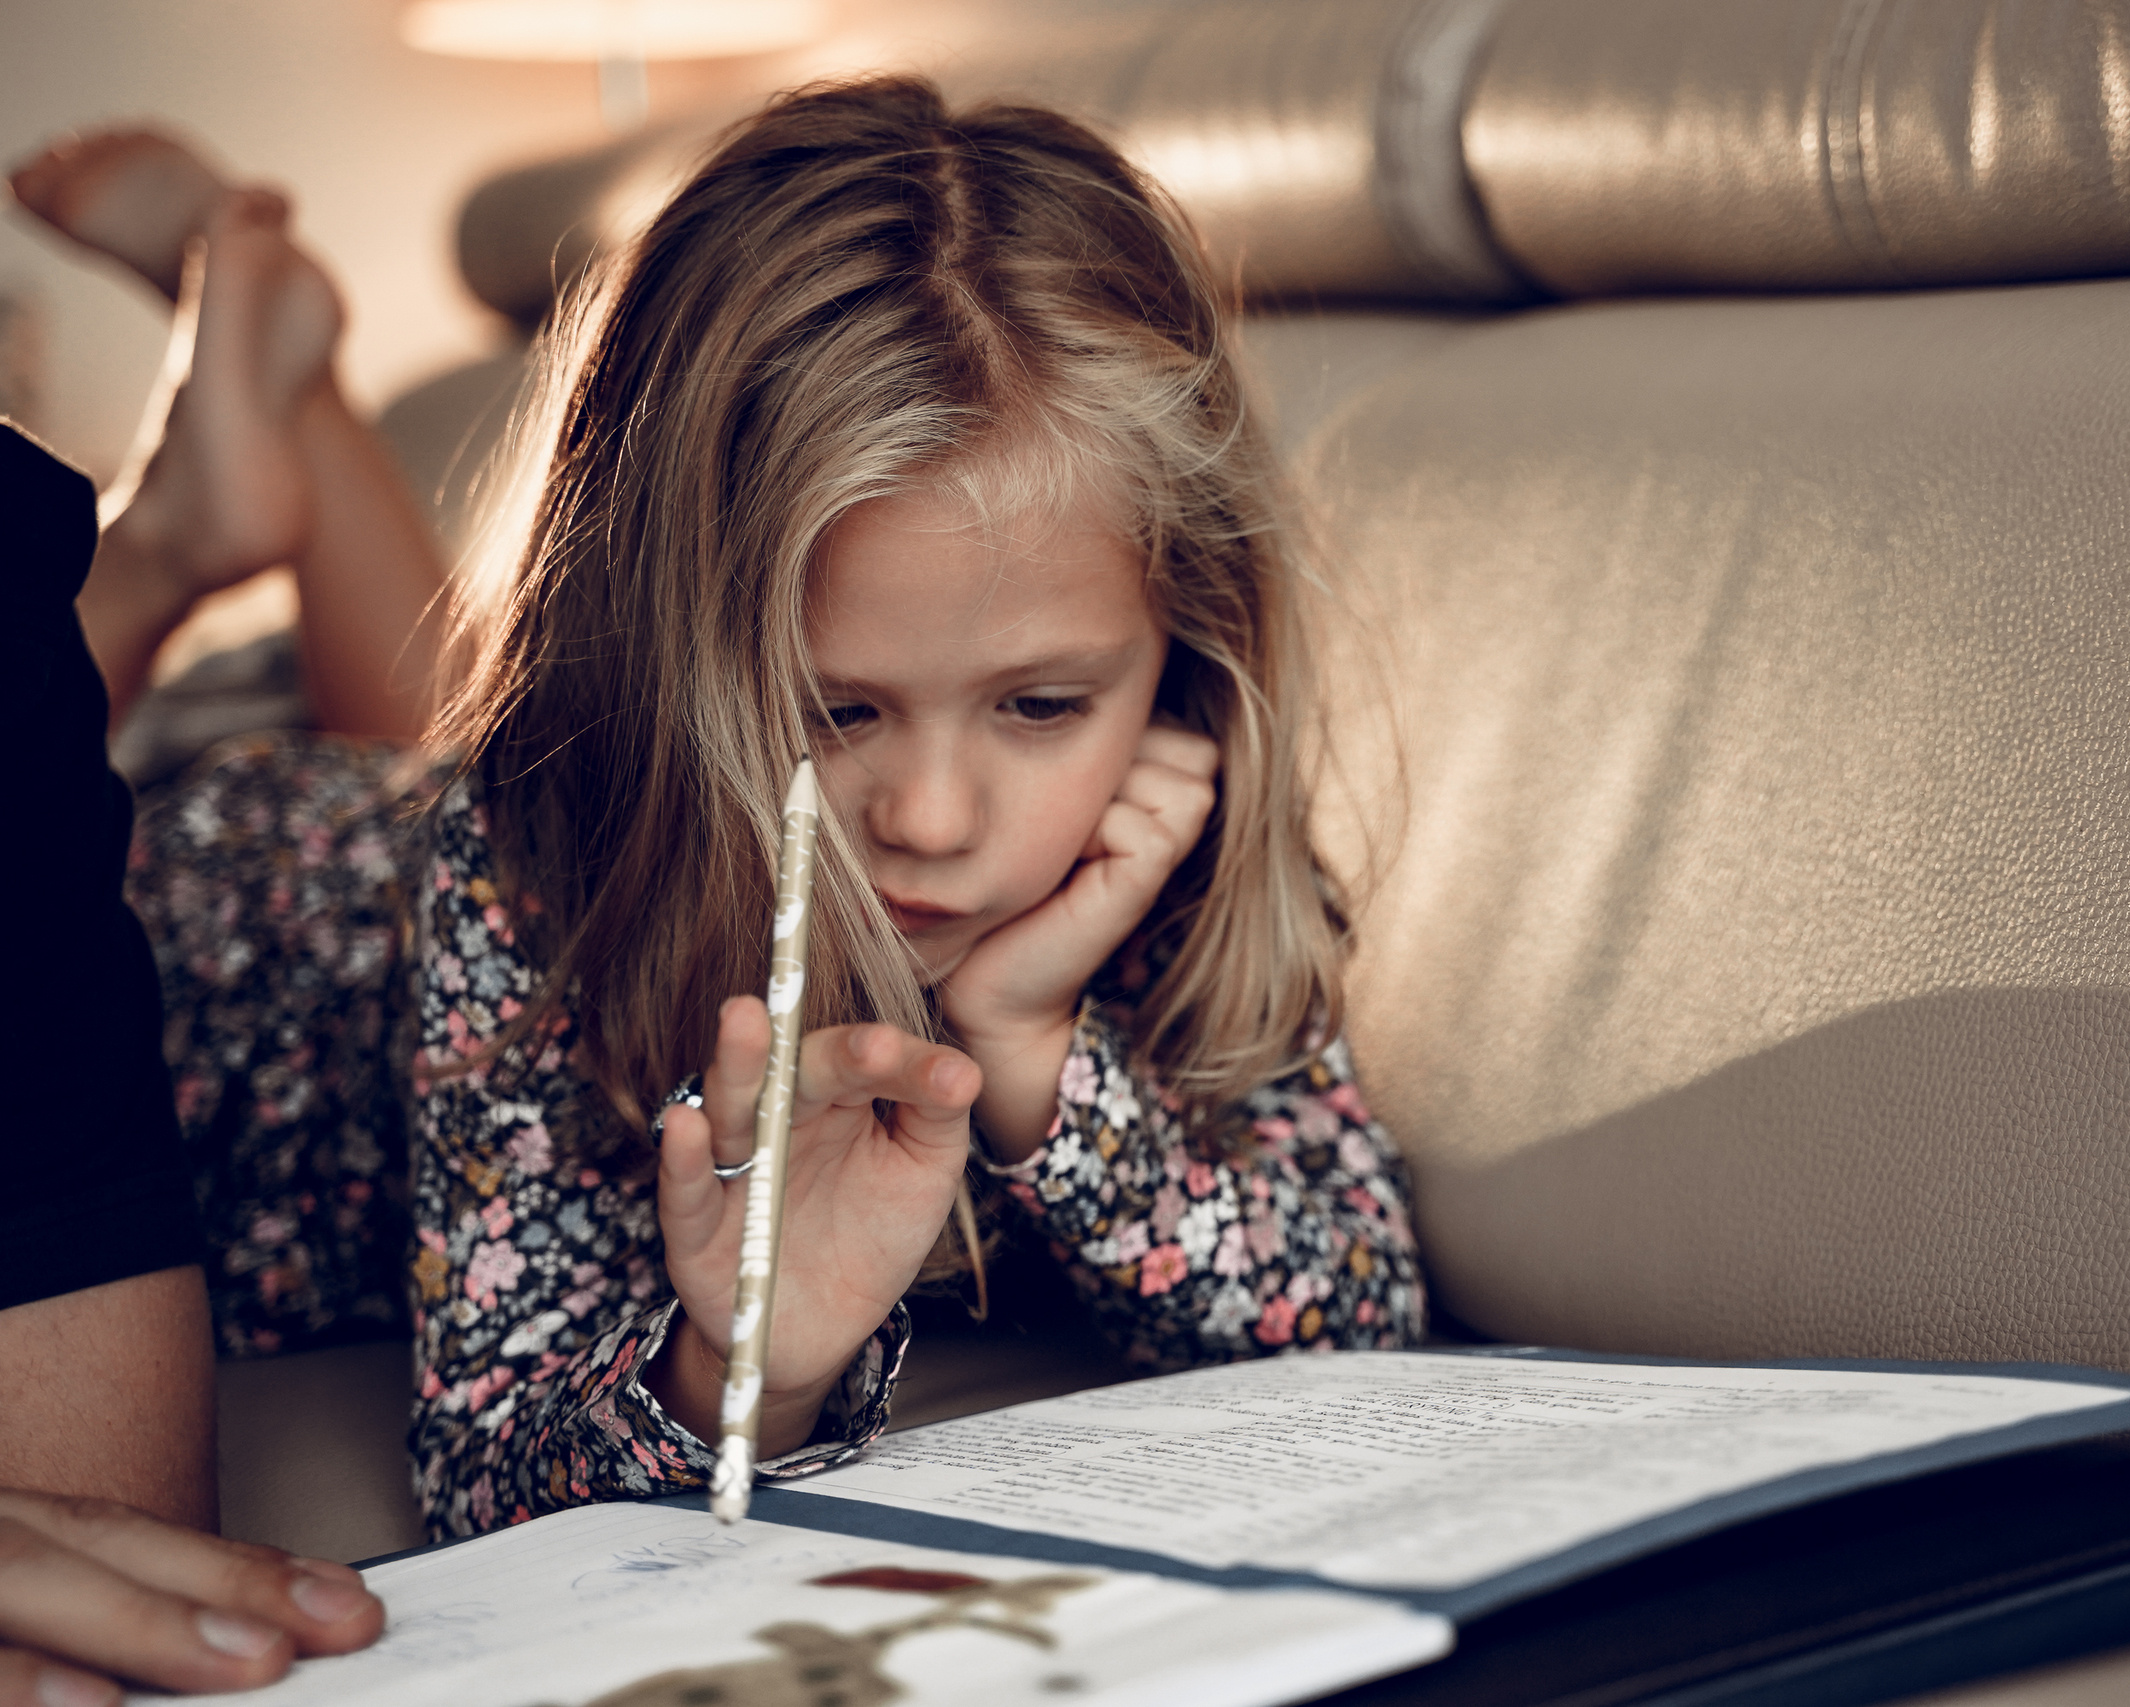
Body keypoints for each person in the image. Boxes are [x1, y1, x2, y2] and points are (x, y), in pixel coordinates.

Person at [17, 78, 1426, 1550]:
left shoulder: (1167, 825)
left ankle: (261, 424)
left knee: (438, 745)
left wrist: (1032, 1054)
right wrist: (740, 1362)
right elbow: (484, 1454)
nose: (936, 821)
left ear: (1186, 641)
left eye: (1039, 706)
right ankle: (175, 532)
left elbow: (1358, 1305)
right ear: (650, 649)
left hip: (445, 808)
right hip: (247, 904)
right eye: (836, 709)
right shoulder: (519, 860)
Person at [0, 418, 385, 1704]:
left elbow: (93, 1607)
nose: (927, 817)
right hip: (254, 869)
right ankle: (179, 529)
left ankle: (177, 532)